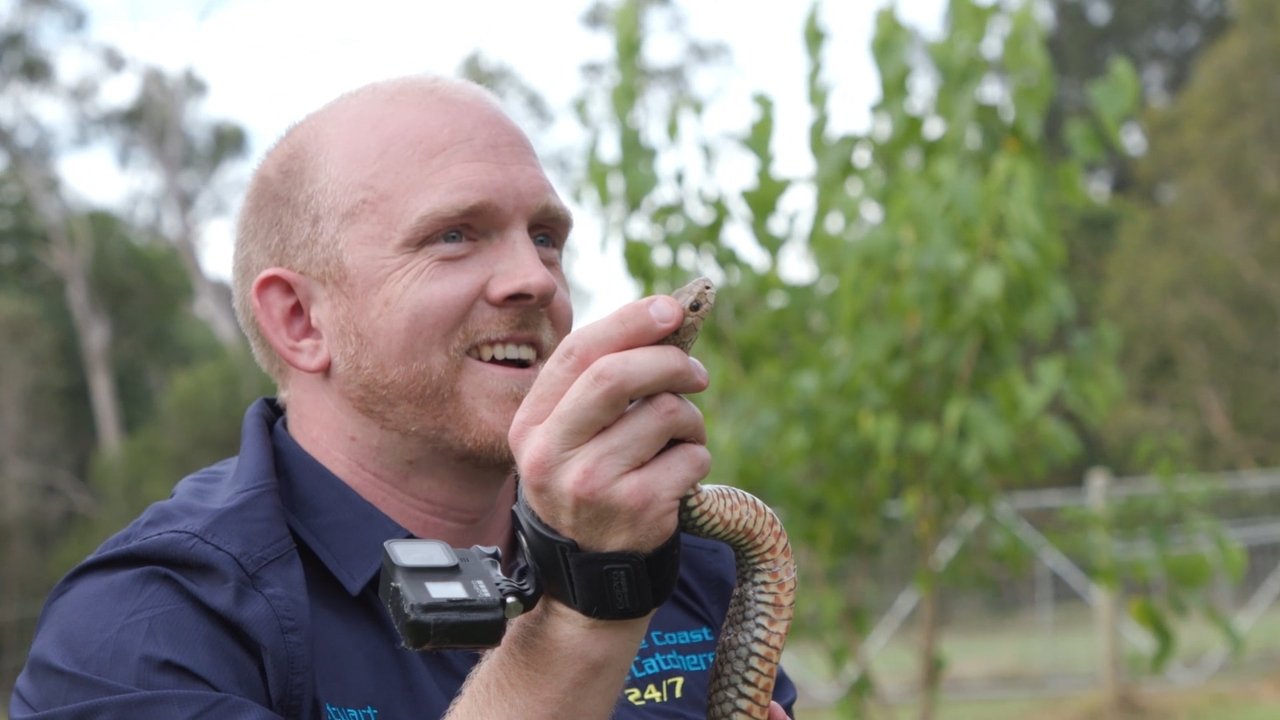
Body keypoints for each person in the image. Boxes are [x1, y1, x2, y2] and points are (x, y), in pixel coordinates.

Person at [9, 75, 797, 719]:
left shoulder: (689, 567)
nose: (535, 277)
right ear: (300, 320)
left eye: (547, 237)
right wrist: (588, 606)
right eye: (454, 235)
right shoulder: (141, 634)